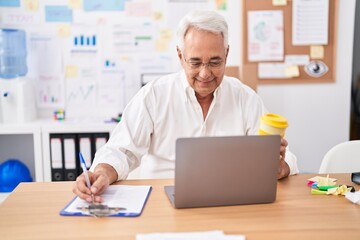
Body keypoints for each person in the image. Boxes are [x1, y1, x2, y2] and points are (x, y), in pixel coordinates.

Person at [73, 10, 299, 203]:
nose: (205, 73)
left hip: (228, 204)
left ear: (226, 54)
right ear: (180, 56)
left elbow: (285, 157)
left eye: (215, 62)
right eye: (195, 62)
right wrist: (102, 172)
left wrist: (280, 167)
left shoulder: (245, 98)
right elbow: (121, 150)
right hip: (160, 203)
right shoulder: (154, 95)